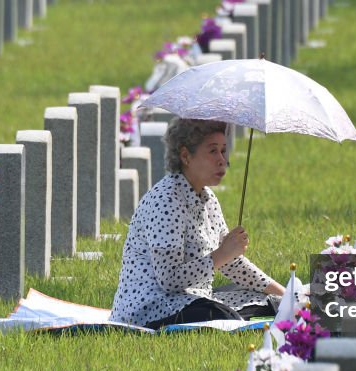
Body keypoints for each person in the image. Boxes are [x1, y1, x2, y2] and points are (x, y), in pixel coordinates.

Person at [109, 118, 287, 329]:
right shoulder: (166, 200)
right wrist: (221, 254)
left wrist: (286, 294)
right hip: (150, 310)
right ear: (185, 156)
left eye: (223, 150)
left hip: (192, 299)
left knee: (266, 301)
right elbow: (169, 280)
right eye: (213, 151)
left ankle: (300, 305)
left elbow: (232, 263)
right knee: (224, 317)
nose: (222, 160)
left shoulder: (208, 197)